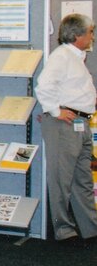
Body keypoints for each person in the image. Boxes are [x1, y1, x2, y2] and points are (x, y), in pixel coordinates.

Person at [35, 13, 97, 243]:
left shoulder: (77, 57)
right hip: (65, 124)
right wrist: (55, 111)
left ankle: (90, 227)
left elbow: (74, 89)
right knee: (61, 179)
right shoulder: (62, 56)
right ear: (78, 35)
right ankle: (63, 230)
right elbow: (44, 86)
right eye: (90, 32)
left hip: (80, 123)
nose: (92, 36)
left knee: (82, 178)